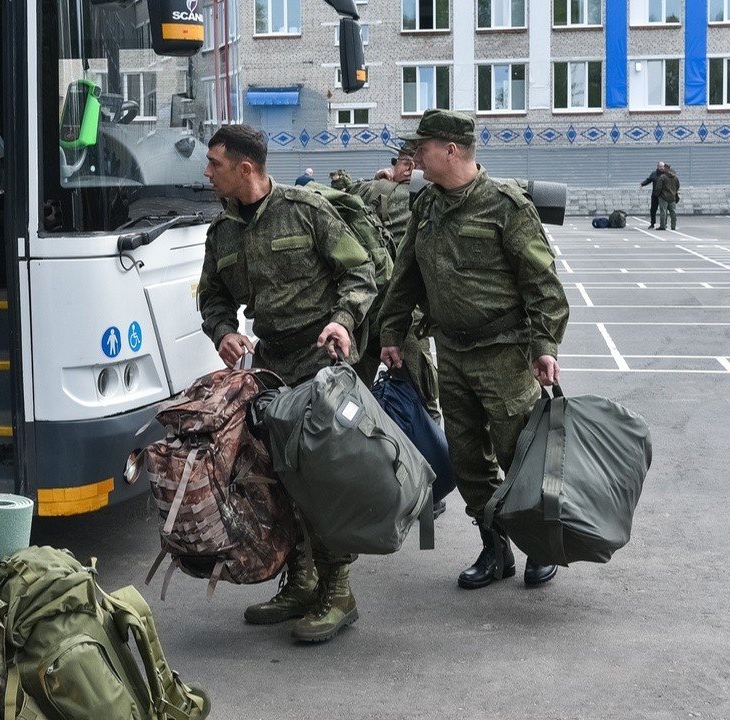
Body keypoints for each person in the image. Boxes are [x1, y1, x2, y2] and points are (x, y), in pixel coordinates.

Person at [197, 124, 377, 642]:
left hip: (323, 362)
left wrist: (343, 319)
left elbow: (359, 272)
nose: (207, 173)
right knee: (278, 475)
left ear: (245, 168)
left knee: (324, 477)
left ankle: (338, 590)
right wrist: (224, 331)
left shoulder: (306, 210)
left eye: (215, 164)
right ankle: (299, 580)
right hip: (271, 365)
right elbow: (212, 298)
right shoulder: (223, 232)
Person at [377, 109, 570, 590]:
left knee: (518, 454)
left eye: (422, 148)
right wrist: (391, 334)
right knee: (467, 461)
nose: (414, 156)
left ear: (452, 150)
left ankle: (540, 544)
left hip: (504, 355)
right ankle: (495, 547)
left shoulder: (505, 204)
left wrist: (544, 345)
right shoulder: (427, 206)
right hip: (453, 354)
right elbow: (406, 277)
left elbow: (543, 284)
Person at [348, 143, 441, 424]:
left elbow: (344, 191)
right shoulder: (426, 198)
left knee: (352, 393)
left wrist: (378, 179)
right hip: (405, 314)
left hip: (365, 308)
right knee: (424, 398)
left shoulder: (370, 191)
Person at [640, 161, 666, 229]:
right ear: (657, 166)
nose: (661, 168)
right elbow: (648, 180)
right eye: (660, 166)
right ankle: (652, 223)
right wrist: (642, 184)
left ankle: (663, 224)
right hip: (655, 195)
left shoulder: (666, 174)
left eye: (662, 166)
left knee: (663, 210)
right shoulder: (654, 174)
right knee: (653, 209)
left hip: (663, 195)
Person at [654, 163, 680, 231]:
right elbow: (677, 186)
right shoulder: (675, 177)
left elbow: (658, 187)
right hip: (672, 197)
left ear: (665, 168)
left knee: (663, 212)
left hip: (663, 197)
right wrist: (674, 192)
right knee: (673, 212)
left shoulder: (662, 177)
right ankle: (673, 226)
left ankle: (663, 226)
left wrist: (657, 194)